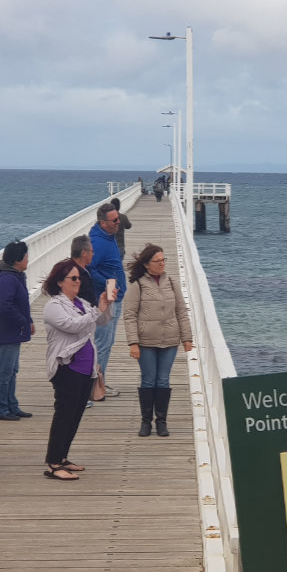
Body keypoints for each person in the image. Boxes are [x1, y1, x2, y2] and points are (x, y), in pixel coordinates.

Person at [40, 259, 113, 480]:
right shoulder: (53, 306)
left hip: (85, 369)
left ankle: (63, 457)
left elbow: (101, 321)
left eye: (79, 278)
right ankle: (53, 463)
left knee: (75, 415)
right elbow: (72, 326)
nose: (78, 282)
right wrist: (96, 312)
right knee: (64, 415)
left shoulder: (81, 303)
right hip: (67, 368)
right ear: (60, 282)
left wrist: (105, 304)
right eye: (73, 278)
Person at [123, 243, 193, 437]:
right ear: (147, 264)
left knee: (163, 380)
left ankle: (161, 421)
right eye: (157, 261)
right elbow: (129, 316)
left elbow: (181, 311)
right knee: (148, 380)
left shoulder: (171, 282)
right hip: (146, 342)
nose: (162, 264)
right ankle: (146, 422)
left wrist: (187, 338)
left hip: (170, 341)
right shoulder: (137, 285)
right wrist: (133, 343)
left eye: (163, 260)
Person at [0, 240, 34, 421]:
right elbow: (4, 306)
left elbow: (20, 304)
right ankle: (0, 408)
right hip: (6, 332)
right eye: (26, 256)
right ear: (17, 260)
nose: (28, 259)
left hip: (13, 331)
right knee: (5, 371)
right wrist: (23, 321)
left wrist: (29, 321)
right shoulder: (8, 279)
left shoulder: (16, 276)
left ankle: (11, 405)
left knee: (12, 370)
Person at [88, 202, 127, 397]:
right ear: (103, 223)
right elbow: (89, 268)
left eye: (118, 218)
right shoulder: (97, 242)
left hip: (115, 297)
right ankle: (94, 386)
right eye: (114, 220)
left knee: (108, 342)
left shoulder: (108, 237)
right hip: (106, 298)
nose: (118, 222)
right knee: (102, 344)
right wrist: (107, 284)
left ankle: (100, 381)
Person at [70, 234, 99, 305]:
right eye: (92, 251)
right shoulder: (73, 274)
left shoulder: (85, 269)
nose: (93, 254)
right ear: (84, 253)